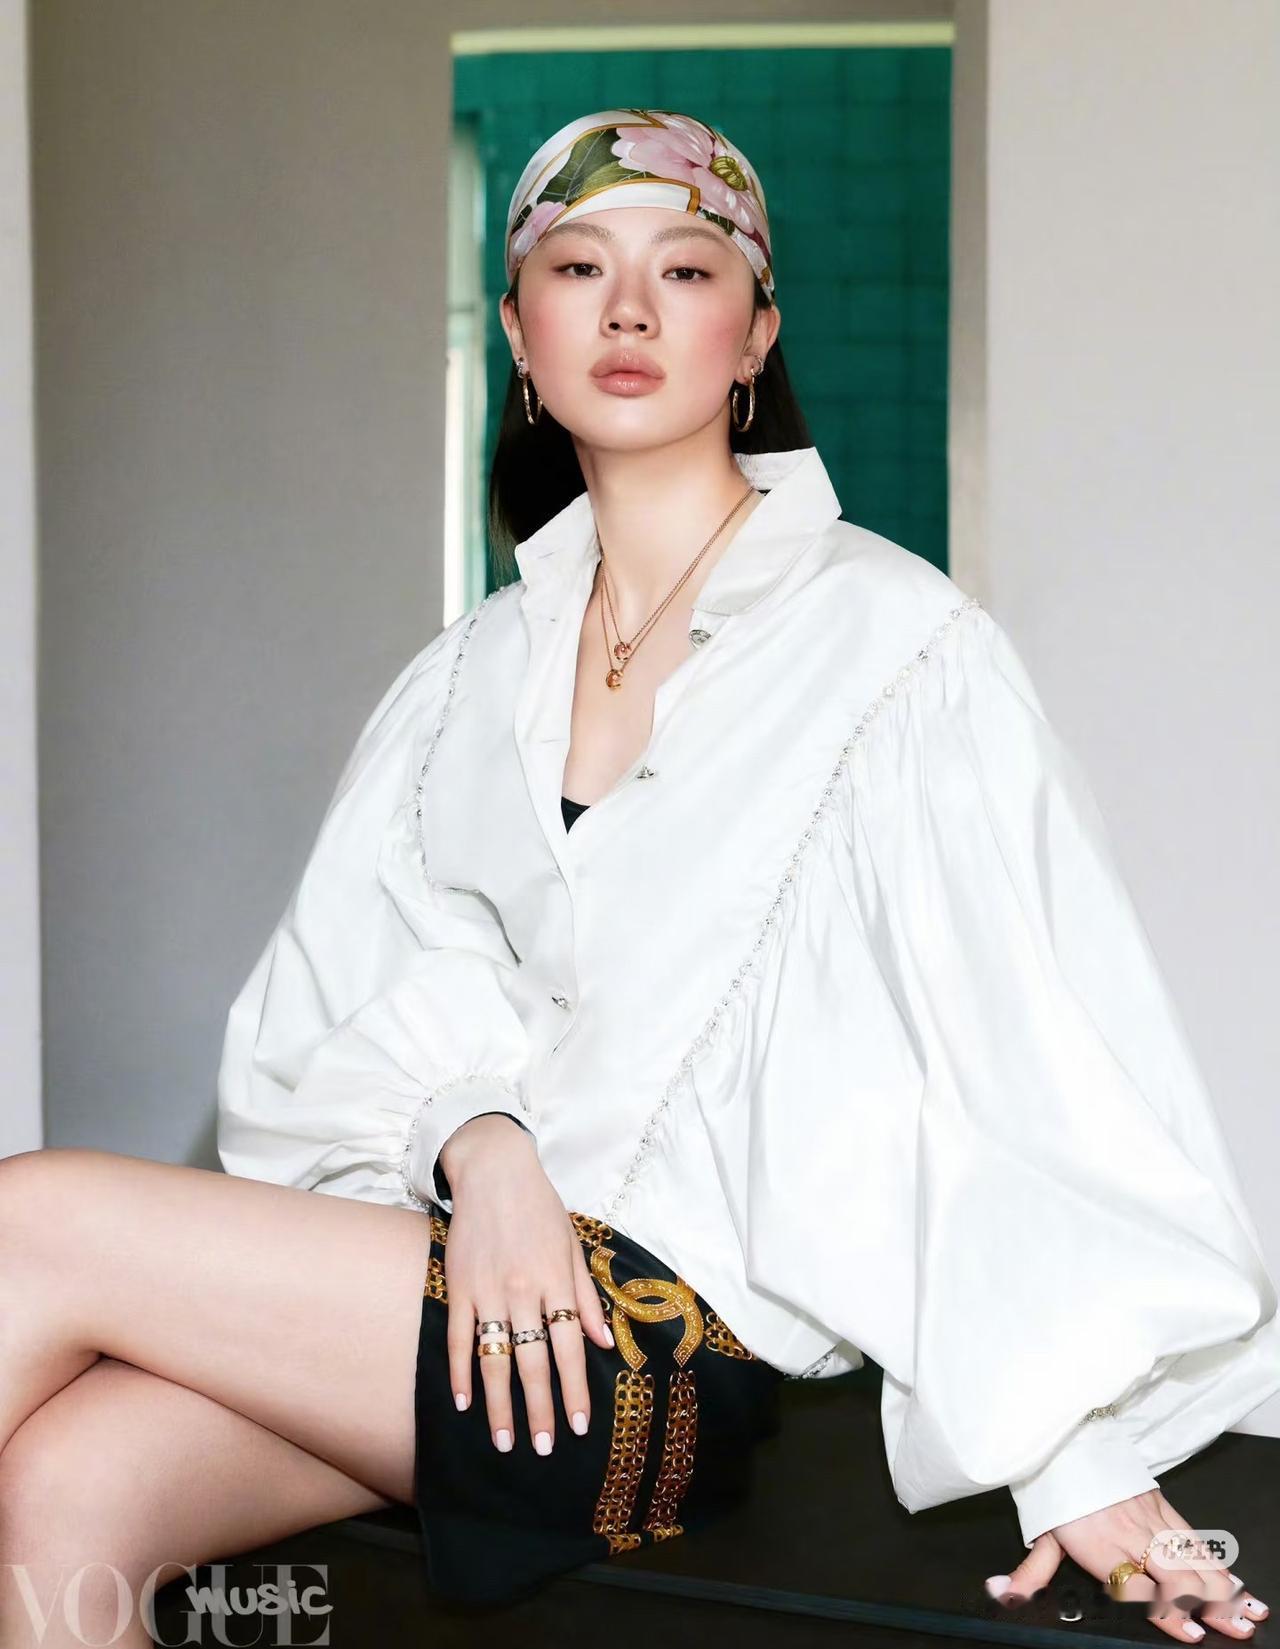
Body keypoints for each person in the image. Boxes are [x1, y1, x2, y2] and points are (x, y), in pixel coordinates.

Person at [0, 107, 1274, 1644]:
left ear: (755, 337)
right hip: (468, 1294)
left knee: (27, 1222)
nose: (626, 309)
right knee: (71, 1484)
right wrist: (482, 1142)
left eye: (683, 268)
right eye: (577, 266)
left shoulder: (893, 646)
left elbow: (1016, 1048)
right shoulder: (463, 680)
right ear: (519, 337)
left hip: (663, 1351)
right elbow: (334, 1022)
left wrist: (1074, 1443)